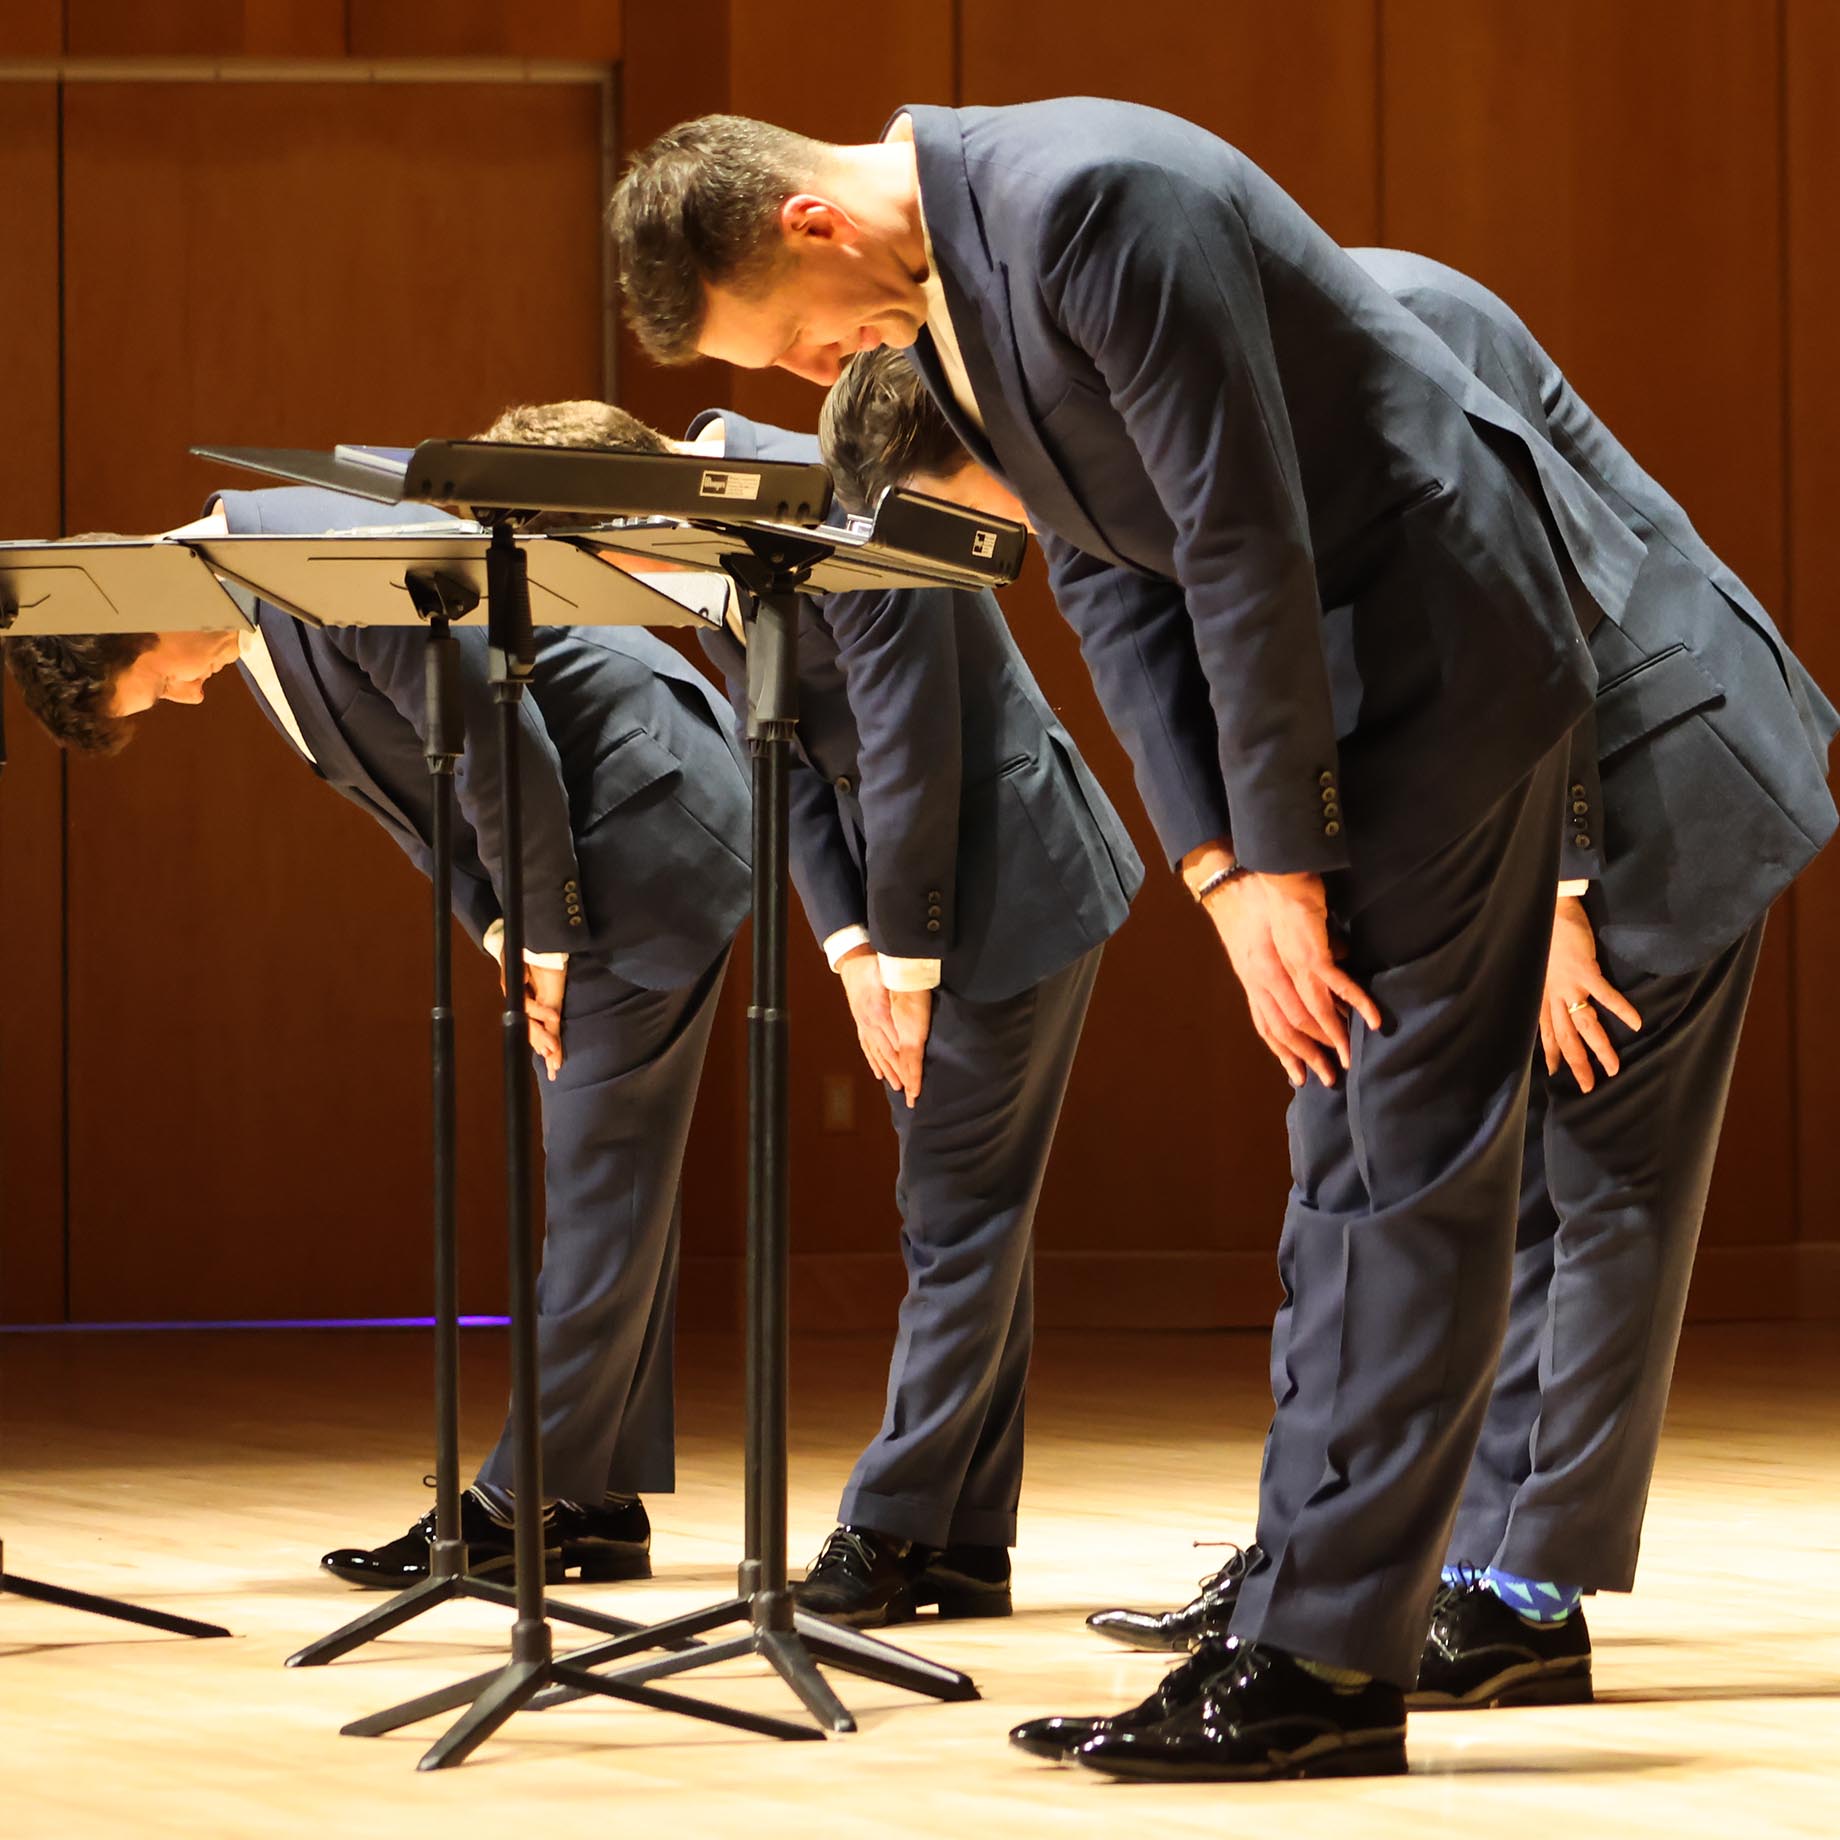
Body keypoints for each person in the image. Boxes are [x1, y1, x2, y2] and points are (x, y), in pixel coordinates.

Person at [608, 101, 1665, 1781]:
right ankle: (1288, 1639)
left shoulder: (1087, 199)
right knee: (1340, 1168)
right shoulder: (950, 278)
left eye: (799, 345)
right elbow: (1103, 577)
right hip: (1330, 725)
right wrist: (1213, 862)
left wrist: (1283, 859)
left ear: (812, 222)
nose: (823, 377)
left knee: (1398, 1162)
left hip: (1431, 683)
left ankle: (1329, 1671)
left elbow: (1240, 528)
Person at [822, 233, 1838, 1722]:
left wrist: (1554, 897)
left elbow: (1532, 595)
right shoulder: (1167, 399)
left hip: (1642, 776)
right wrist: (1236, 883)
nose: (1024, 535)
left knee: (1591, 1186)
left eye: (985, 511)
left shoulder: (1390, 321)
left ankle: (1518, 1601)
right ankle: (1359, 1559)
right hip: (1488, 797)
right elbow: (1172, 645)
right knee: (1438, 1179)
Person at [5, 484, 755, 1589]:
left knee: (604, 1168)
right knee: (614, 1167)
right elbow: (417, 802)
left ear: (135, 609)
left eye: (157, 682)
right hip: (584, 841)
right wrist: (503, 925)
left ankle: (522, 1503)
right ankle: (589, 1500)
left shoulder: (307, 560)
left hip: (646, 813)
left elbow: (501, 742)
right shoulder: (252, 618)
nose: (188, 696)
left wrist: (542, 931)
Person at [485, 398, 1143, 1625]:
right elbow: (775, 745)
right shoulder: (699, 541)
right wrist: (844, 941)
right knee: (966, 1209)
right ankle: (959, 1542)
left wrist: (901, 964)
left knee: (956, 1212)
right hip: (906, 898)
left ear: (621, 526)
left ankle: (890, 1528)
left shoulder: (830, 497)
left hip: (1004, 881)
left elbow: (911, 748)